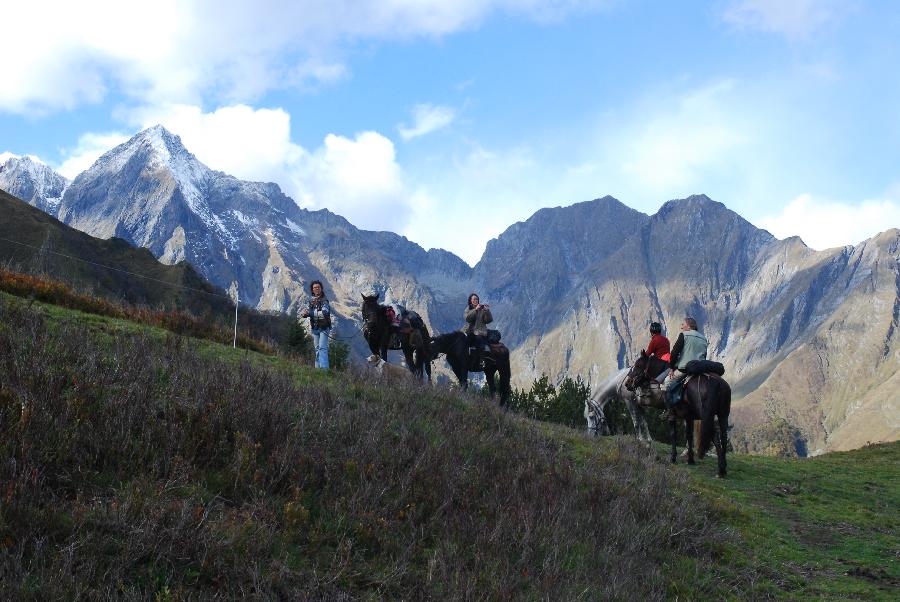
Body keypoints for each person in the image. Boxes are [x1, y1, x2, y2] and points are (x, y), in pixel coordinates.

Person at [665, 316, 708, 408]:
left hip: (685, 369)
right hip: (700, 369)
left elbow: (675, 352)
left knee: (667, 382)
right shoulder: (704, 339)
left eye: (683, 324)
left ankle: (670, 410)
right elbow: (704, 355)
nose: (681, 327)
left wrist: (672, 367)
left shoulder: (684, 335)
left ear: (689, 326)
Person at [300, 280, 332, 369]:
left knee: (322, 348)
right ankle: (317, 370)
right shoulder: (311, 301)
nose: (316, 289)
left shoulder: (325, 300)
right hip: (315, 328)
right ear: (312, 289)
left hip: (324, 328)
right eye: (314, 287)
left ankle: (324, 371)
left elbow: (325, 313)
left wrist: (309, 313)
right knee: (317, 349)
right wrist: (306, 314)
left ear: (321, 288)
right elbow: (312, 313)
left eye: (318, 287)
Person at [463, 292, 492, 369]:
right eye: (474, 299)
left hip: (480, 331)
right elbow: (467, 318)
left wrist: (487, 311)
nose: (476, 300)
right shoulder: (468, 309)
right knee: (461, 341)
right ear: (470, 300)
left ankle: (482, 360)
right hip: (469, 331)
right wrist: (475, 310)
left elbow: (488, 320)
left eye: (477, 299)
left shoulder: (482, 309)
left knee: (479, 339)